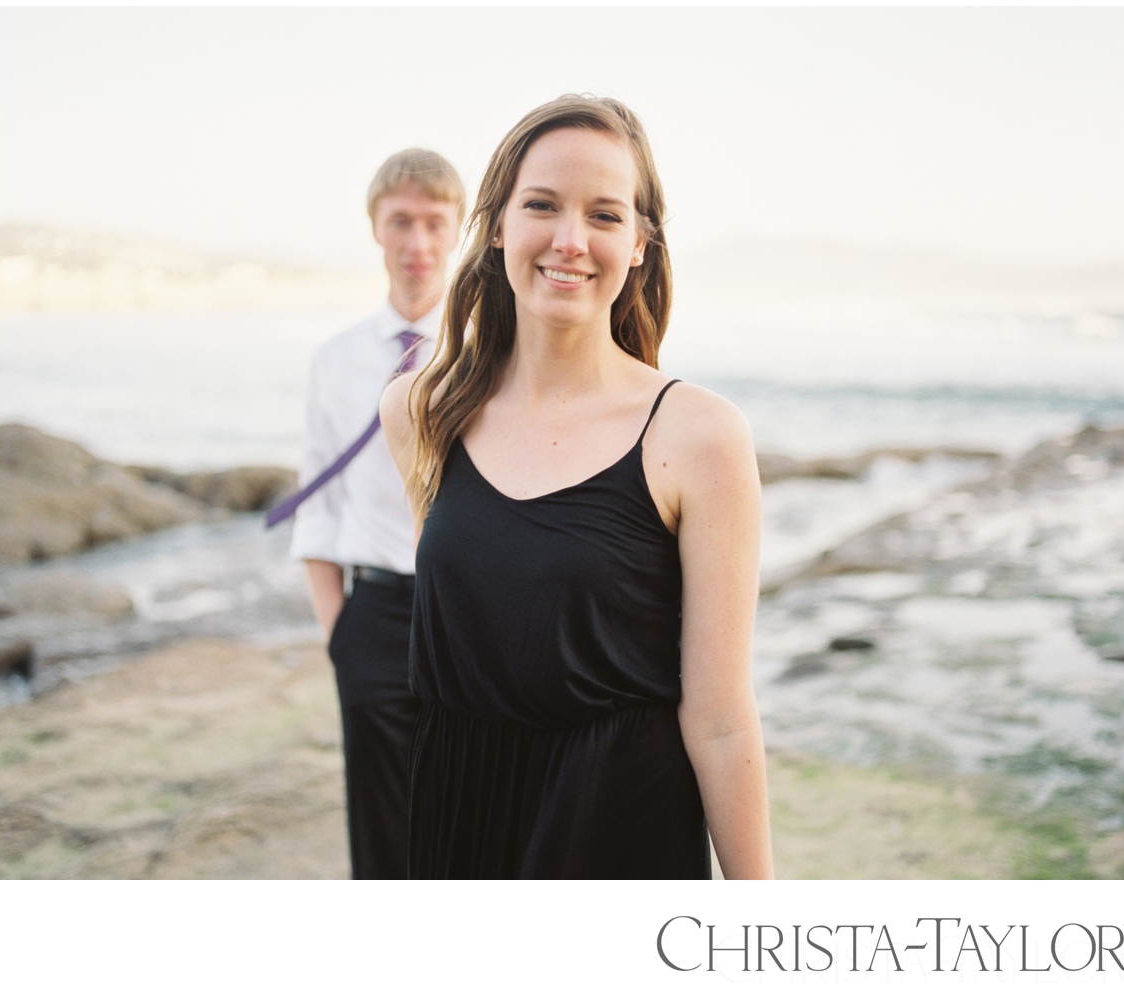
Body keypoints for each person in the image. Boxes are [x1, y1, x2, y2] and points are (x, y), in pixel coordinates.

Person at [381, 96, 773, 879]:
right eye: (542, 206)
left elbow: (723, 719)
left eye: (603, 214)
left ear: (638, 245)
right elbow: (467, 637)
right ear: (496, 226)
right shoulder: (421, 410)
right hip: (459, 823)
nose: (569, 240)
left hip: (618, 834)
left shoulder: (698, 437)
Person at [287, 148, 464, 879]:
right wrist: (341, 637)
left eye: (433, 223)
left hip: (469, 616)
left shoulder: (493, 348)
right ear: (375, 229)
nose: (416, 243)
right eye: (400, 222)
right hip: (376, 615)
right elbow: (317, 507)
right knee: (383, 831)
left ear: (458, 230)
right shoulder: (334, 360)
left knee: (475, 810)